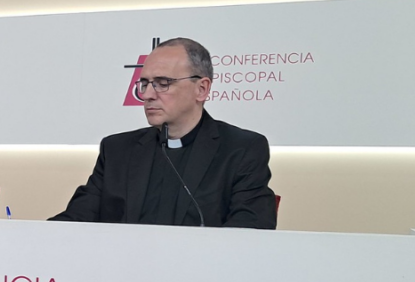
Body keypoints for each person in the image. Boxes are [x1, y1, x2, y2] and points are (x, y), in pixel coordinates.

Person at [50, 37, 276, 228]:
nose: (148, 95)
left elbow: (250, 231)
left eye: (163, 83)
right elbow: (76, 219)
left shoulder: (241, 149)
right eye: (144, 83)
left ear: (201, 89)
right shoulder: (117, 150)